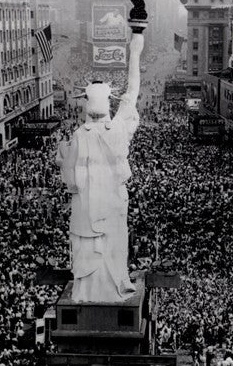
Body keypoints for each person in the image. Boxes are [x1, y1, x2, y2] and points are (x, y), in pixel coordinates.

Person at [56, 33, 144, 302]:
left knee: (97, 249)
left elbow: (69, 179)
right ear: (108, 102)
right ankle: (104, 288)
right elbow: (132, 93)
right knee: (108, 248)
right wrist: (136, 44)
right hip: (107, 210)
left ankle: (91, 291)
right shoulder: (112, 130)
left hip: (91, 213)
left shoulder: (79, 136)